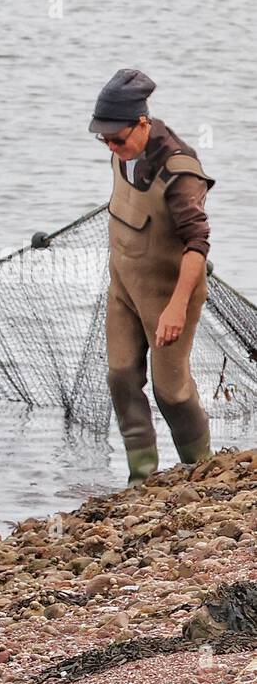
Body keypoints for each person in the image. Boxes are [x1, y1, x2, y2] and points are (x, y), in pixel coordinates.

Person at [90, 69, 216, 485]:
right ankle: (140, 476)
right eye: (103, 139)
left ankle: (202, 471)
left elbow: (198, 244)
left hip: (169, 294)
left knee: (172, 392)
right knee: (121, 375)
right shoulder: (120, 152)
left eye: (118, 139)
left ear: (142, 123)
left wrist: (177, 308)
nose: (110, 146)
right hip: (124, 288)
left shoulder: (181, 171)